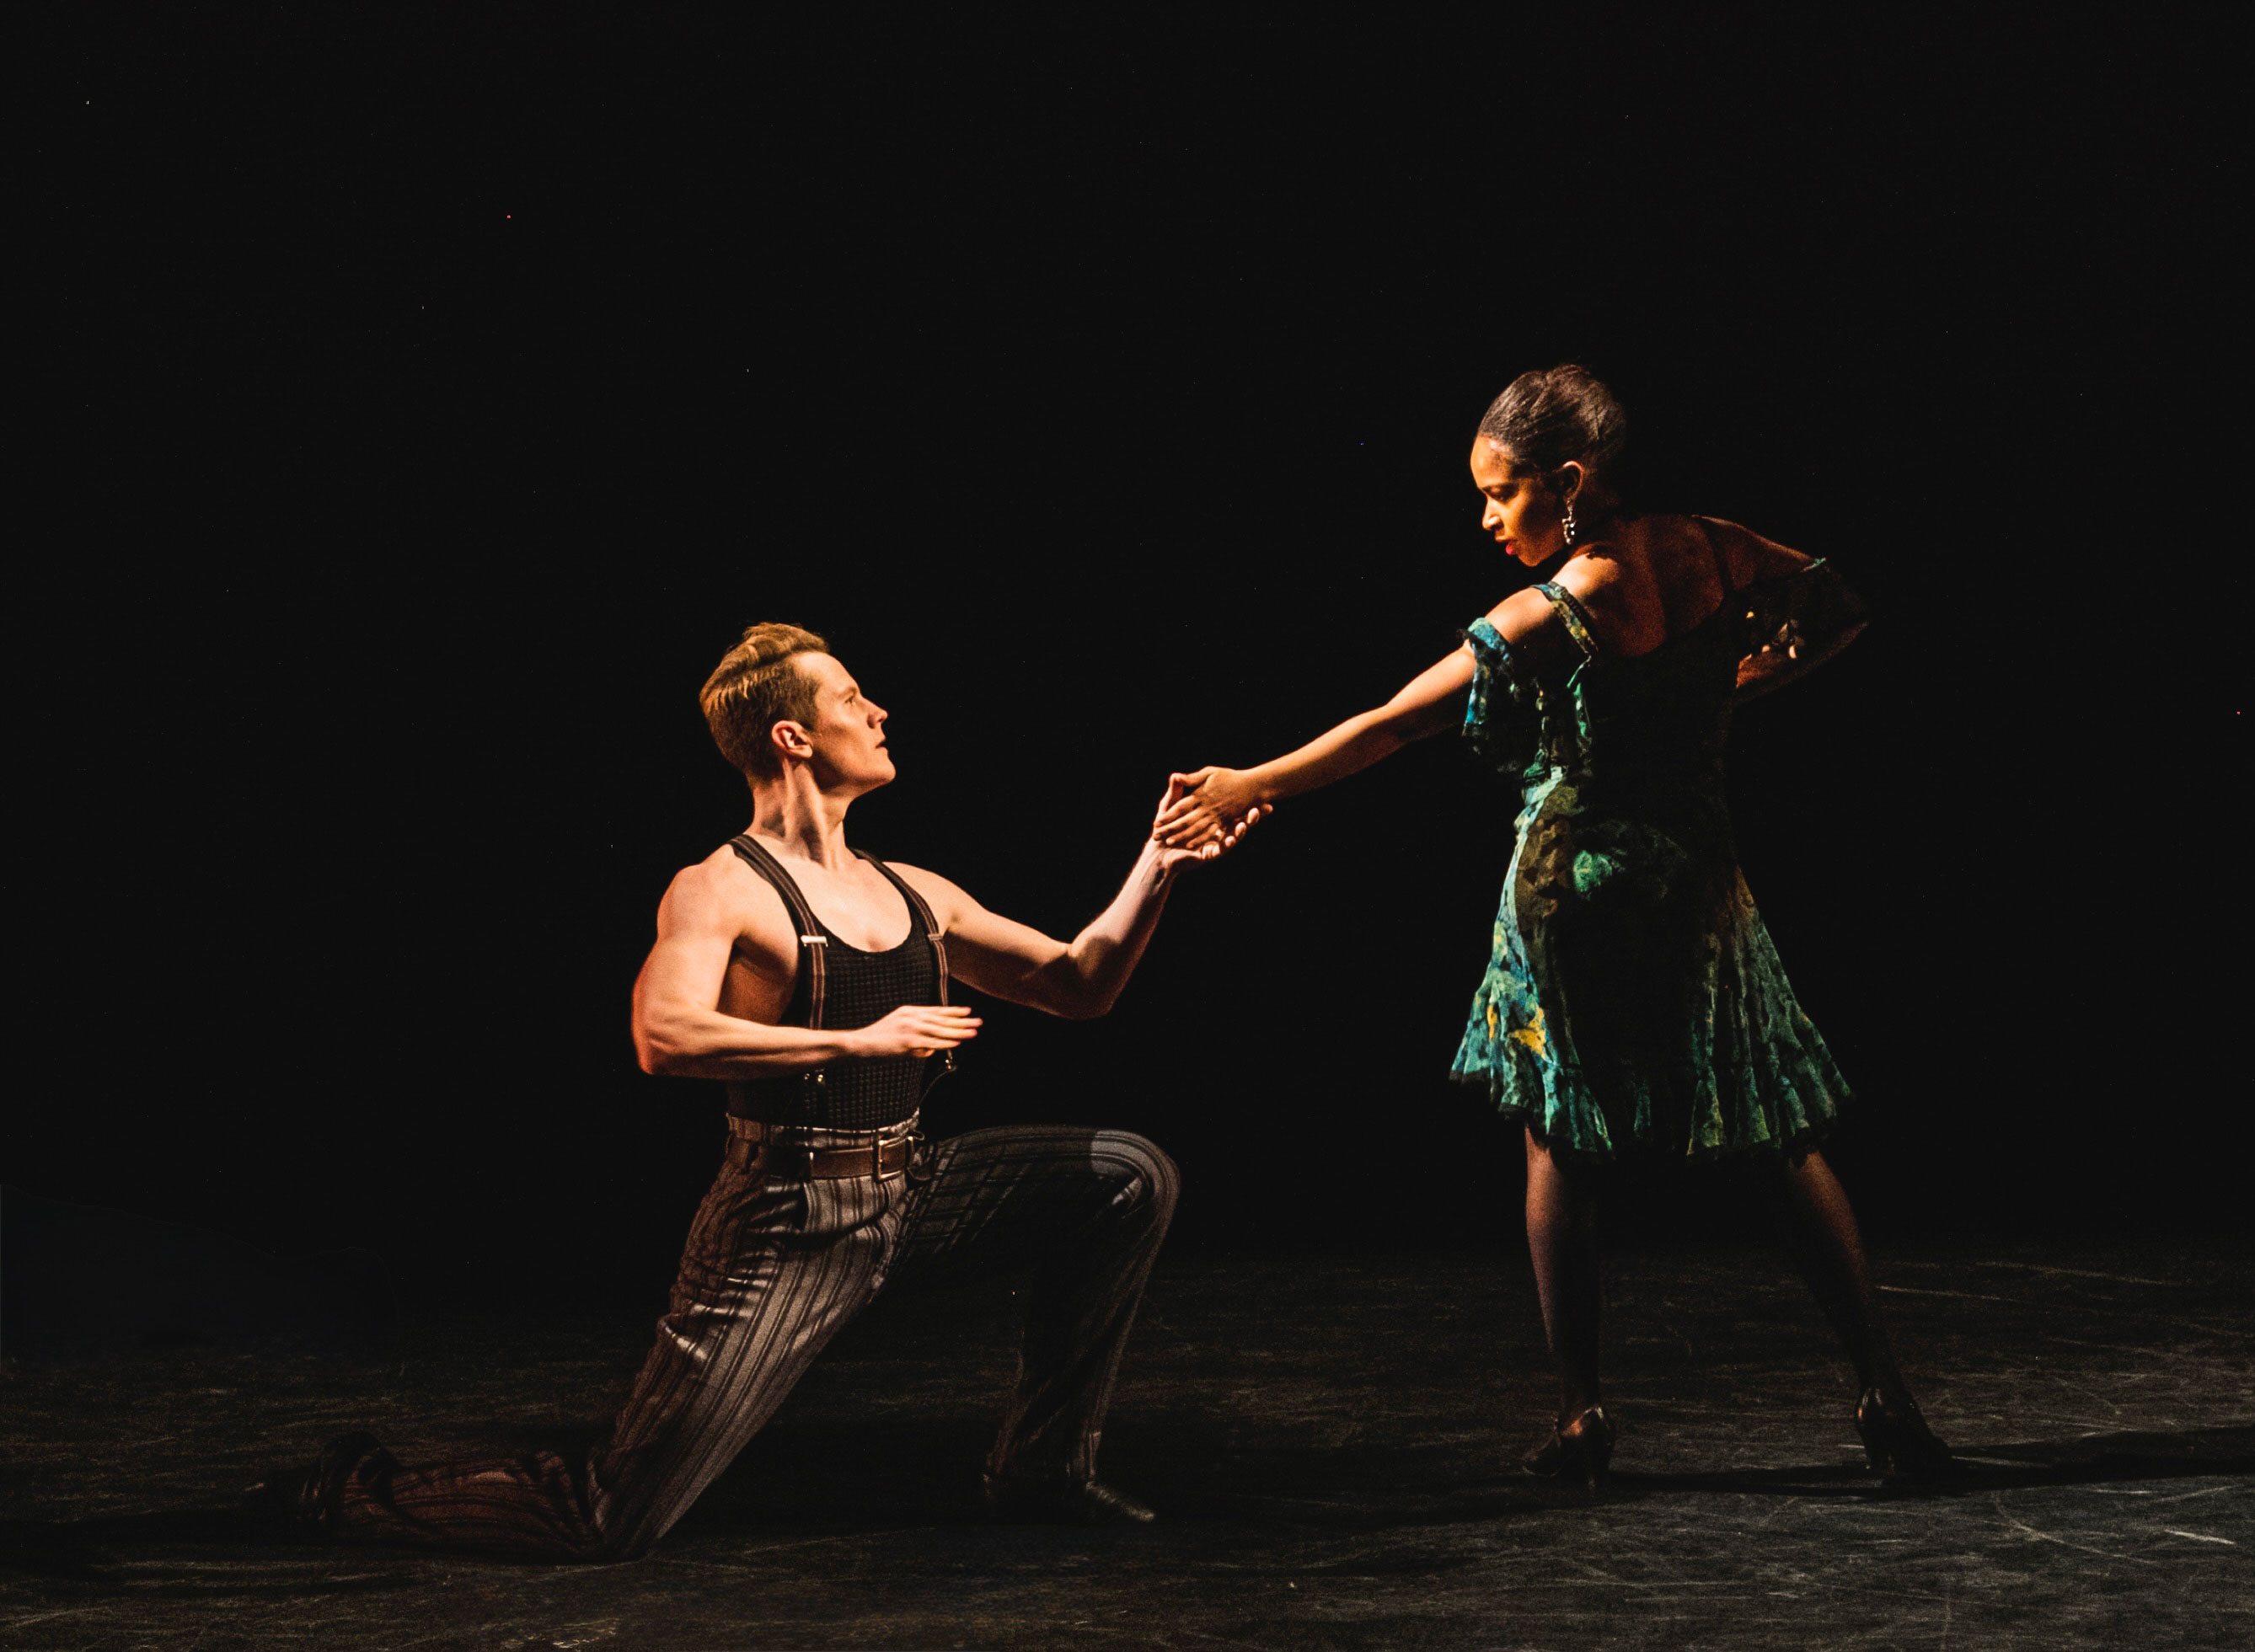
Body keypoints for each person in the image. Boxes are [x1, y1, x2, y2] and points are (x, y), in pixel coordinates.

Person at [244, 621, 1266, 1558]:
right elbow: (663, 1034)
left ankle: (1043, 1470)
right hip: (787, 1218)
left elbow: (1076, 984)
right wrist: (859, 1039)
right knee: (610, 1514)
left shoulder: (914, 888)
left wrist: (1158, 860)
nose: (879, 712)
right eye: (853, 699)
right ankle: (346, 1485)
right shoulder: (721, 887)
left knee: (1127, 1173)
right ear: (792, 736)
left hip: (913, 1191)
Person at [1154, 364, 1952, 1487]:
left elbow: (1390, 725)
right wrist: (1739, 685)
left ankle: (1582, 1416)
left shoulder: (1556, 606)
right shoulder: (1716, 548)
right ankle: (1885, 1394)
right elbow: (1840, 608)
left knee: (1559, 1136)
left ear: (1569, 483)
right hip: (1704, 884)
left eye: (1503, 494)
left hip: (1575, 890)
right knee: (1779, 1131)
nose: (1487, 520)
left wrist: (1253, 783)